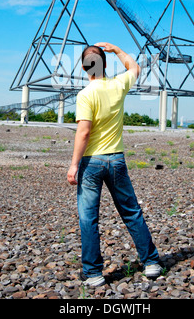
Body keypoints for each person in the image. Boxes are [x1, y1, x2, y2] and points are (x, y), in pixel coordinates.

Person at [67, 42, 161, 287]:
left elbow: (84, 133)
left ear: (84, 68)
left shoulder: (85, 95)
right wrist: (116, 49)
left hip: (91, 163)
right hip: (116, 158)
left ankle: (93, 273)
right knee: (131, 211)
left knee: (89, 218)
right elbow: (135, 68)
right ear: (105, 64)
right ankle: (151, 262)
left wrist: (73, 165)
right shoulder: (118, 85)